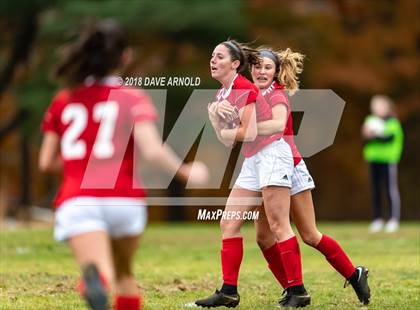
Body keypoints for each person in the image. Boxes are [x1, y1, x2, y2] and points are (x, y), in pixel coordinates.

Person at [38, 19, 208, 310]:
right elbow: (153, 150)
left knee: (102, 273)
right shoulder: (131, 98)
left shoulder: (64, 100)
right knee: (125, 274)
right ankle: (107, 282)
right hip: (125, 201)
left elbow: (46, 163)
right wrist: (186, 171)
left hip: (79, 200)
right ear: (125, 57)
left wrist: (82, 161)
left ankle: (97, 280)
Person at [250, 47, 370, 306]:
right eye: (256, 66)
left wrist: (243, 127)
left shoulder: (277, 94)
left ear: (276, 72)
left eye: (267, 67)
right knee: (263, 237)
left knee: (309, 235)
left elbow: (277, 125)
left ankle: (343, 277)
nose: (261, 71)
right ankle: (292, 289)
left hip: (287, 167)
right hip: (264, 169)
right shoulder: (250, 95)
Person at [195, 40, 309, 308]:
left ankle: (298, 290)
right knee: (228, 222)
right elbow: (227, 141)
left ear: (235, 64)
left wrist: (222, 127)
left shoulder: (245, 88)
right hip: (253, 159)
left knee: (278, 225)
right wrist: (214, 118)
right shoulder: (221, 95)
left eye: (219, 56)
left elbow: (251, 132)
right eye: (212, 55)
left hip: (272, 155)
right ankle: (228, 291)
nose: (213, 60)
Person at [362, 95, 403, 233]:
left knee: (390, 189)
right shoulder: (370, 120)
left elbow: (389, 138)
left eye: (380, 106)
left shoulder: (392, 122)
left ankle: (393, 219)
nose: (377, 109)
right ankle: (377, 219)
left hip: (388, 160)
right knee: (376, 190)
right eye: (375, 106)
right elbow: (365, 138)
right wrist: (367, 135)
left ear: (387, 107)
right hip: (374, 159)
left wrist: (374, 135)